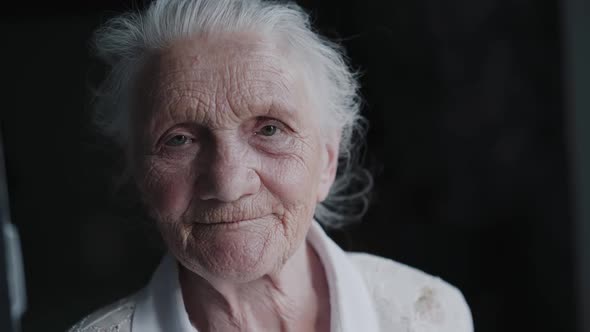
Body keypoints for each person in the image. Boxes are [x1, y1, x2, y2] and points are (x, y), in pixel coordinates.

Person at [70, 0, 473, 331]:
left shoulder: (429, 314)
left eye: (269, 130)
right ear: (139, 173)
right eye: (179, 139)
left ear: (327, 162)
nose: (228, 183)